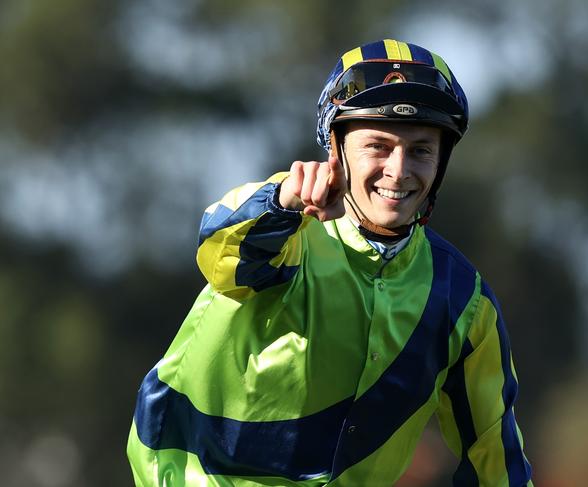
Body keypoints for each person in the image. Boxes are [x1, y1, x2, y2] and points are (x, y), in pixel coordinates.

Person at [127, 39, 533, 486]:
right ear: (335, 151)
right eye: (377, 146)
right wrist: (283, 200)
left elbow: (496, 459)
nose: (399, 170)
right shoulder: (286, 236)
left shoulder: (464, 302)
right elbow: (216, 246)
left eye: (420, 150)